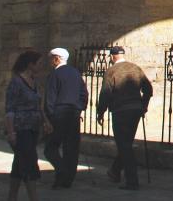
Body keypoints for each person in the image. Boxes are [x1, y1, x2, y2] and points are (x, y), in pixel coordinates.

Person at [96, 46, 152, 190]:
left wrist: (100, 111)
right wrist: (144, 105)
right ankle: (115, 171)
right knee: (126, 143)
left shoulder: (111, 71)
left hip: (120, 111)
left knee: (124, 145)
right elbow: (148, 89)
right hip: (135, 110)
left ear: (112, 57)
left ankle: (132, 181)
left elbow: (106, 93)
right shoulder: (135, 68)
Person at [4, 50, 51, 201]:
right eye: (39, 63)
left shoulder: (34, 82)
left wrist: (45, 121)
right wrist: (11, 132)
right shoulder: (16, 82)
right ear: (30, 64)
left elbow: (38, 106)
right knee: (30, 162)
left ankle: (12, 197)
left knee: (19, 164)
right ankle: (34, 197)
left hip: (33, 128)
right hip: (20, 128)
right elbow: (10, 109)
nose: (41, 66)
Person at [43, 47, 87, 189]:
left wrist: (49, 117)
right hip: (73, 114)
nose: (50, 62)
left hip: (59, 114)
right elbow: (84, 94)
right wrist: (79, 108)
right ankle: (67, 179)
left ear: (56, 59)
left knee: (50, 147)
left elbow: (50, 99)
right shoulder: (75, 73)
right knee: (71, 148)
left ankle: (61, 170)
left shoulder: (54, 75)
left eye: (51, 59)